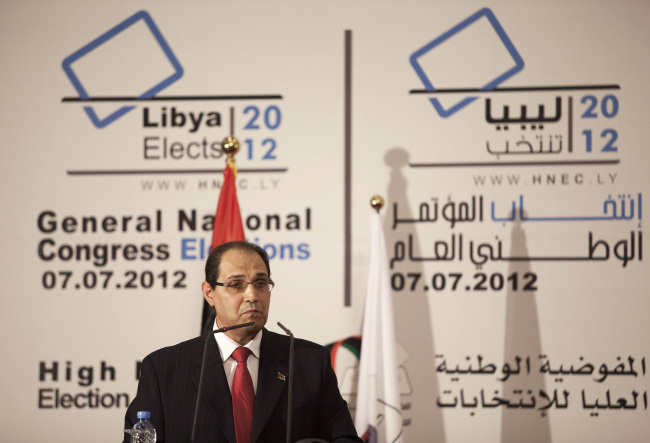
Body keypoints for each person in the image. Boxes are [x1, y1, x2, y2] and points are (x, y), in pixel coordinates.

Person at [124, 241, 361, 442]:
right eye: (236, 285)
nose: (252, 296)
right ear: (209, 293)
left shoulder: (309, 361)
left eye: (260, 283)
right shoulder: (164, 368)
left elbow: (343, 439)